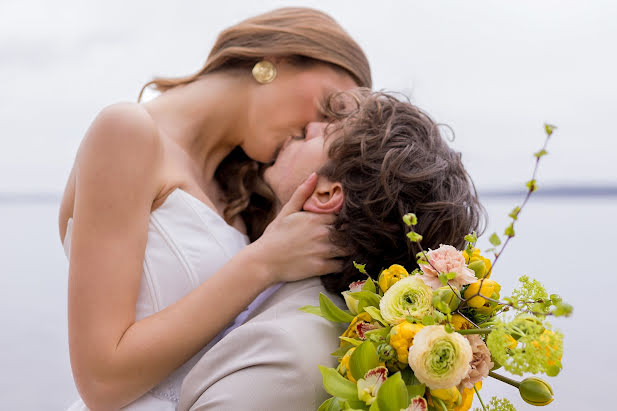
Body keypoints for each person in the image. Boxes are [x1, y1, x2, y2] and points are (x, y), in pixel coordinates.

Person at [58, 8, 371, 411]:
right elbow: (100, 382)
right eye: (328, 106)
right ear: (277, 59)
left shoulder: (242, 186)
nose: (316, 127)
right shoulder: (126, 131)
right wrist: (264, 262)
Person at [178, 90, 485, 411]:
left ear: (326, 194)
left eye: (325, 131)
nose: (308, 125)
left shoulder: (281, 351)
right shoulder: (332, 322)